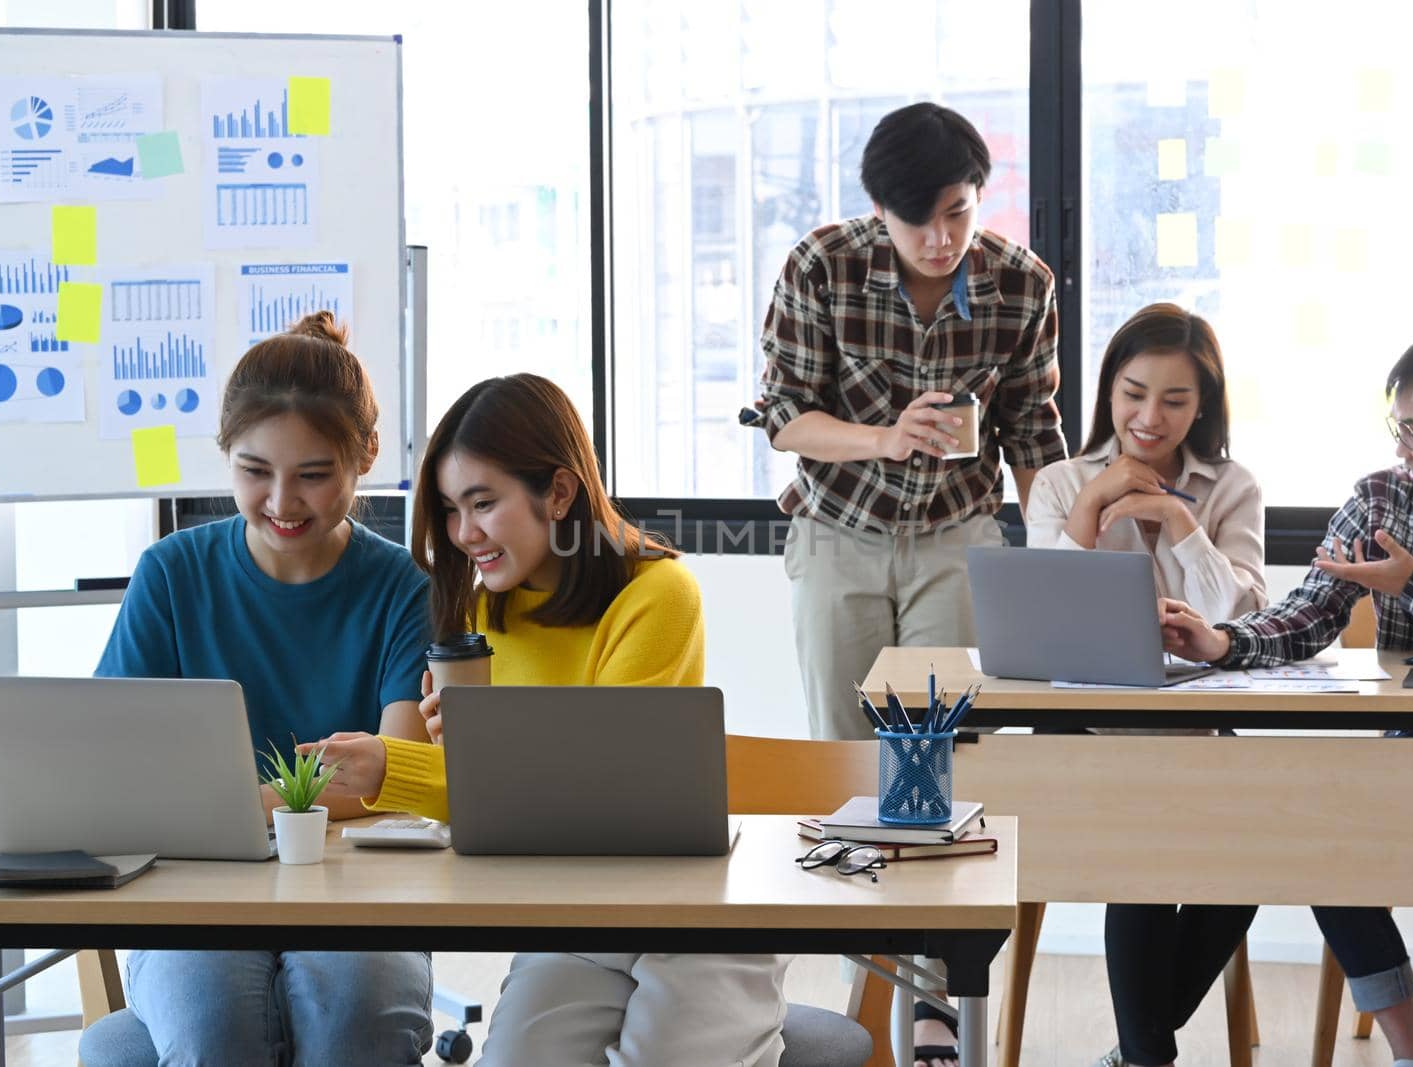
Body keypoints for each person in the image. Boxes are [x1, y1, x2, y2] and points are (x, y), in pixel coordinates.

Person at [310, 374, 790, 1067]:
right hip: (578, 915)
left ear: (558, 492)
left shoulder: (656, 592)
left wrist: (427, 762)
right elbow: (502, 802)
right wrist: (451, 757)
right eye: (450, 509)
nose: (464, 533)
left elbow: (601, 786)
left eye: (484, 503)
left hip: (689, 912)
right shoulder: (480, 616)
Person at [1158, 325, 1413, 1067]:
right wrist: (1225, 641)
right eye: (1398, 428)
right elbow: (1311, 611)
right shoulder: (1381, 498)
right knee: (1321, 833)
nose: (1401, 449)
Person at [95, 313, 434, 1065]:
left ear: (366, 455)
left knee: (358, 1024)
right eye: (255, 471)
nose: (283, 501)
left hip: (356, 888)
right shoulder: (172, 574)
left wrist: (221, 808)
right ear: (225, 456)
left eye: (314, 474)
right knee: (218, 1029)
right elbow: (115, 771)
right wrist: (313, 798)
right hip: (193, 890)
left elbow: (401, 774)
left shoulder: (404, 587)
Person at [752, 101, 1067, 746]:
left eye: (957, 213)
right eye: (915, 221)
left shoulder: (1023, 286)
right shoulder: (822, 266)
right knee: (844, 749)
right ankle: (850, 853)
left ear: (981, 193)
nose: (939, 240)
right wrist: (885, 440)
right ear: (879, 210)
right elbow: (784, 416)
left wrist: (1056, 563)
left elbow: (1033, 433)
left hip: (956, 535)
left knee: (938, 747)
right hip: (837, 532)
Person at [1025, 303, 1266, 1067]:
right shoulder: (1063, 483)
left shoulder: (1230, 487)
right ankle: (1147, 1057)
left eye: (1175, 399)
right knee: (1145, 850)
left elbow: (1244, 619)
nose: (1149, 417)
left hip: (1193, 727)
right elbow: (1046, 627)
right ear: (1108, 390)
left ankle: (1138, 1051)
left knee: (1259, 856)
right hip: (1082, 731)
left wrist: (1178, 519)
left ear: (1204, 405)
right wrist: (1095, 505)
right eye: (1133, 393)